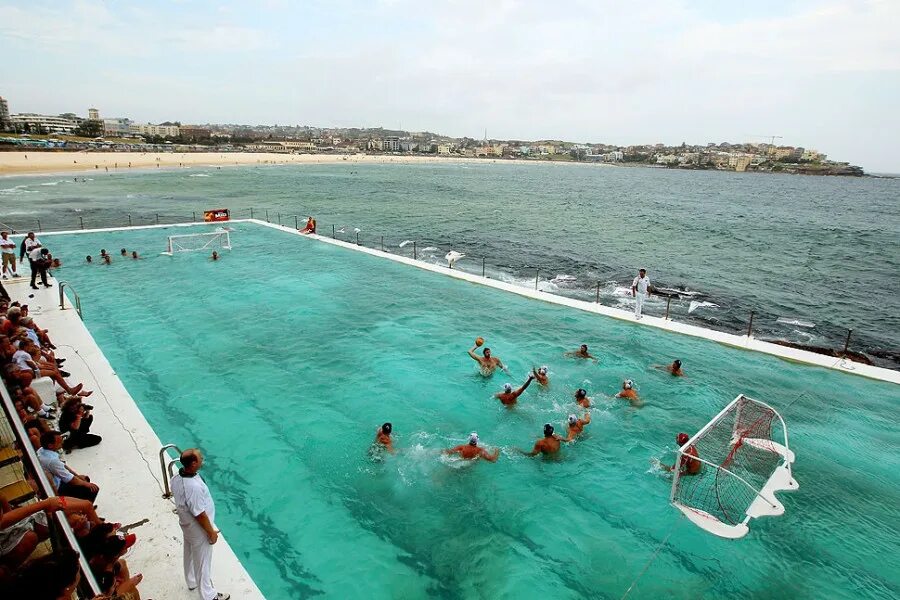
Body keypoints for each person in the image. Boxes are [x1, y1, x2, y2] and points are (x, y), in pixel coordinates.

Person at [171, 448, 230, 600]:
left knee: (189, 553)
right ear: (192, 464)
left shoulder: (176, 476)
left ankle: (191, 581)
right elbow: (200, 514)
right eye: (199, 458)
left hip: (186, 525)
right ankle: (209, 596)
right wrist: (211, 532)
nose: (202, 459)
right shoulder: (193, 487)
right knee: (203, 562)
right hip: (197, 529)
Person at [36, 431, 100, 501]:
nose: (62, 443)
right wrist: (85, 483)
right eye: (59, 442)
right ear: (50, 445)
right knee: (92, 489)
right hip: (58, 487)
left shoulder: (41, 450)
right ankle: (85, 507)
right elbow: (70, 479)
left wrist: (77, 476)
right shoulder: (52, 460)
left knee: (84, 480)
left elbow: (63, 466)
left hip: (57, 479)